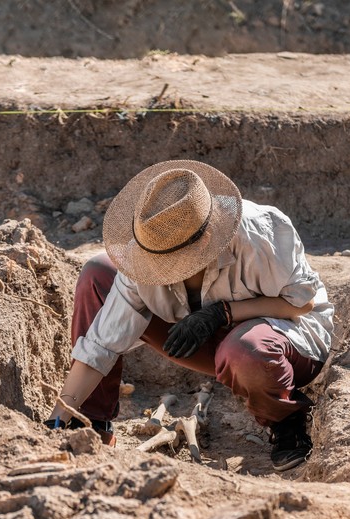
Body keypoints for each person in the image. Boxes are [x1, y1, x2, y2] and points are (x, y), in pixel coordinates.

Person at [44, 160, 334, 471]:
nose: (158, 272)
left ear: (205, 241)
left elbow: (302, 303)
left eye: (171, 263)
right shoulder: (148, 248)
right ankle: (90, 424)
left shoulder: (261, 233)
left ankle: (286, 420)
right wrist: (62, 414)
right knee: (98, 273)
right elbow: (101, 342)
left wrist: (222, 313)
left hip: (286, 340)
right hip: (205, 341)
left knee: (245, 349)